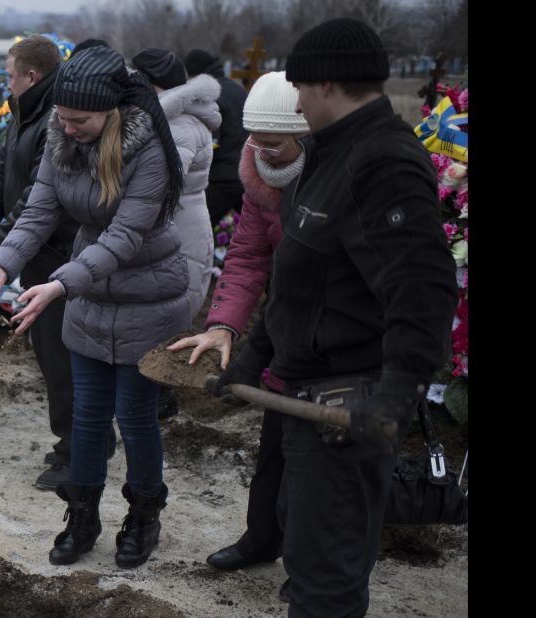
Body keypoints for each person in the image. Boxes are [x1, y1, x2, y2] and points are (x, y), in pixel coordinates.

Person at [215, 19, 457, 616]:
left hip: (349, 401)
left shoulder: (384, 162)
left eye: (298, 87)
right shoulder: (326, 156)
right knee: (305, 549)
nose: (294, 102)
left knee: (327, 577)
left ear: (326, 83)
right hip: (306, 390)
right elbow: (296, 279)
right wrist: (249, 362)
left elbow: (423, 289)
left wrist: (396, 396)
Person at [0, 46, 190, 569]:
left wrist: (60, 286)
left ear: (110, 112)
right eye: (61, 117)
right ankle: (82, 516)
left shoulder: (147, 149)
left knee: (134, 416)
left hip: (146, 298)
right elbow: (38, 211)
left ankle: (144, 516)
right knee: (86, 417)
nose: (67, 127)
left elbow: (126, 236)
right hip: (87, 291)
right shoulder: (60, 137)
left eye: (78, 119)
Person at [166, 71, 309, 595]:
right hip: (285, 325)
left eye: (273, 143)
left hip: (335, 331)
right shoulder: (259, 176)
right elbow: (248, 255)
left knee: (315, 460)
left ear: (305, 133)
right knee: (273, 444)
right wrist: (223, 324)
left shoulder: (329, 178)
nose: (262, 152)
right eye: (255, 141)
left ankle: (308, 566)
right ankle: (261, 539)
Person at [0, 35, 100, 491]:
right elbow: (2, 173)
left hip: (57, 255)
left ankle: (78, 452)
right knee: (52, 356)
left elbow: (38, 199)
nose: (5, 81)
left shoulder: (58, 120)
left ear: (31, 76)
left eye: (9, 74)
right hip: (33, 253)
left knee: (62, 358)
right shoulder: (25, 111)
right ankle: (80, 441)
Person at [131, 48, 220, 416]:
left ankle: (160, 400)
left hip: (180, 232)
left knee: (167, 316)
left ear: (154, 87)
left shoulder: (179, 126)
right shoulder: (166, 119)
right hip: (175, 224)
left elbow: (163, 180)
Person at [183, 49, 248, 227]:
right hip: (246, 174)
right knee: (256, 231)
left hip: (221, 178)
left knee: (197, 228)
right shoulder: (237, 89)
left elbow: (211, 143)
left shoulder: (209, 95)